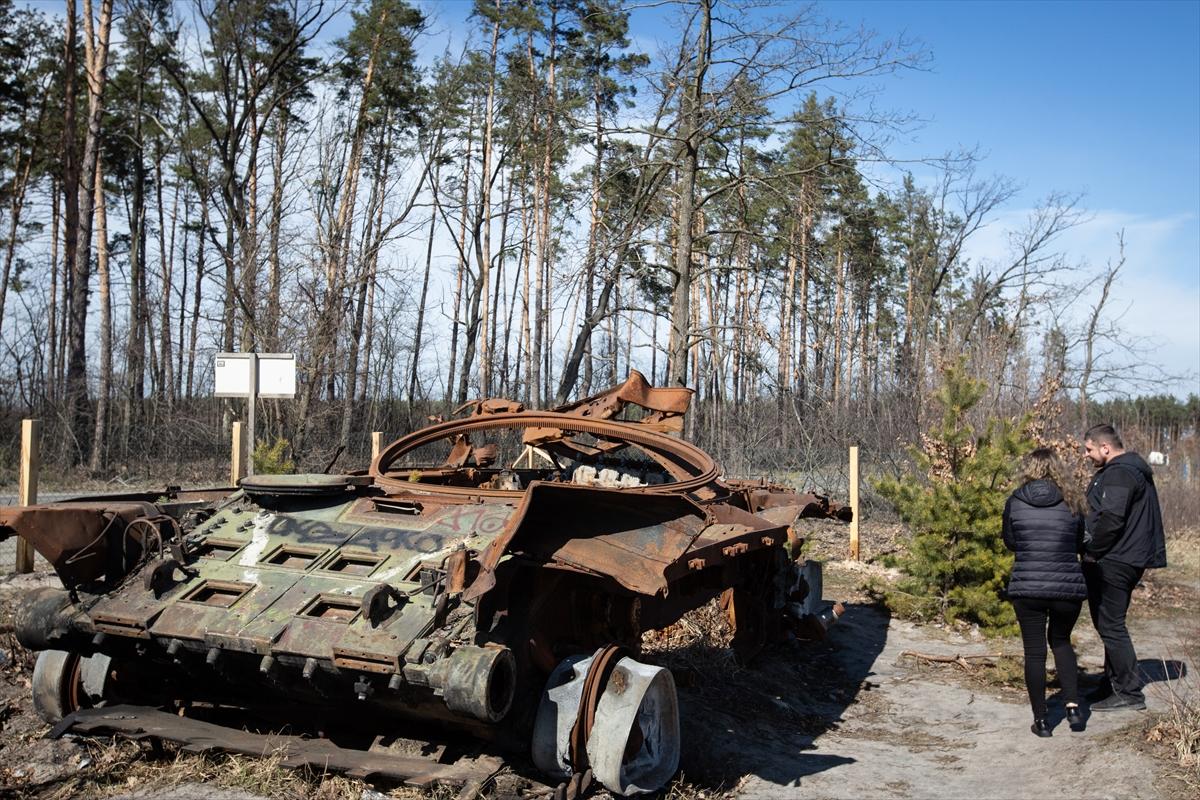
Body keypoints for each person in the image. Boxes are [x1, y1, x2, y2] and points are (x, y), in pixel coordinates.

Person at [1081, 423, 1167, 712]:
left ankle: (1129, 692)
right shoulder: (1128, 470)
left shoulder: (1120, 473)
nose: (1086, 454)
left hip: (1116, 559)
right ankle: (1113, 682)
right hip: (1124, 556)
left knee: (1111, 624)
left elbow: (1112, 519)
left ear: (1105, 447)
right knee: (1108, 622)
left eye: (1089, 449)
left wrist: (1091, 549)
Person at [1002, 448, 1087, 737]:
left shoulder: (1015, 501)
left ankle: (1041, 721)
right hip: (1067, 586)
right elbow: (1079, 542)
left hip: (1028, 587)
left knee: (1035, 652)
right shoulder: (1073, 501)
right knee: (1061, 642)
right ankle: (1074, 709)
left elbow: (1010, 541)